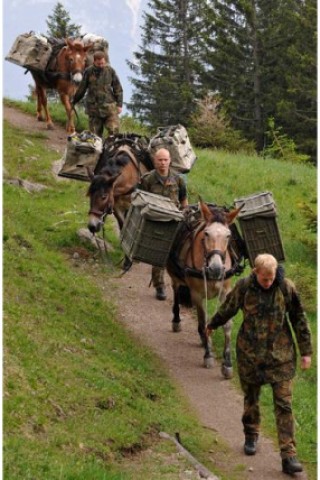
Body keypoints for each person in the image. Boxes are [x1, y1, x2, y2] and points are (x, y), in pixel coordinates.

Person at [206, 253, 312, 475]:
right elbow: (229, 307)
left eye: (272, 277)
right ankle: (251, 435)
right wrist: (213, 323)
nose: (269, 282)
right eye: (265, 278)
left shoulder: (286, 288)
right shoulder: (245, 286)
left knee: (284, 404)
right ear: (256, 272)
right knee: (251, 399)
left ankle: (288, 454)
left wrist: (306, 352)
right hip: (250, 354)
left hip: (280, 357)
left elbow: (299, 318)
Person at [139, 148, 188, 300]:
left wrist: (185, 214)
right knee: (159, 254)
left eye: (165, 160)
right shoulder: (148, 179)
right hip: (156, 222)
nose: (163, 163)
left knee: (179, 253)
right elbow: (141, 199)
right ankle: (159, 286)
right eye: (160, 160)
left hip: (174, 221)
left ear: (170, 161)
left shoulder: (178, 179)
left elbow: (184, 199)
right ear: (155, 161)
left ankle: (180, 284)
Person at [72, 50, 123, 138]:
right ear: (94, 61)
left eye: (102, 63)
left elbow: (118, 88)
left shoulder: (110, 71)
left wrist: (119, 105)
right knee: (94, 136)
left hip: (109, 108)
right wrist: (74, 101)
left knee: (114, 132)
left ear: (105, 61)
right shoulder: (88, 72)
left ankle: (110, 150)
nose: (101, 65)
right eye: (99, 64)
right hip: (94, 109)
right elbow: (82, 88)